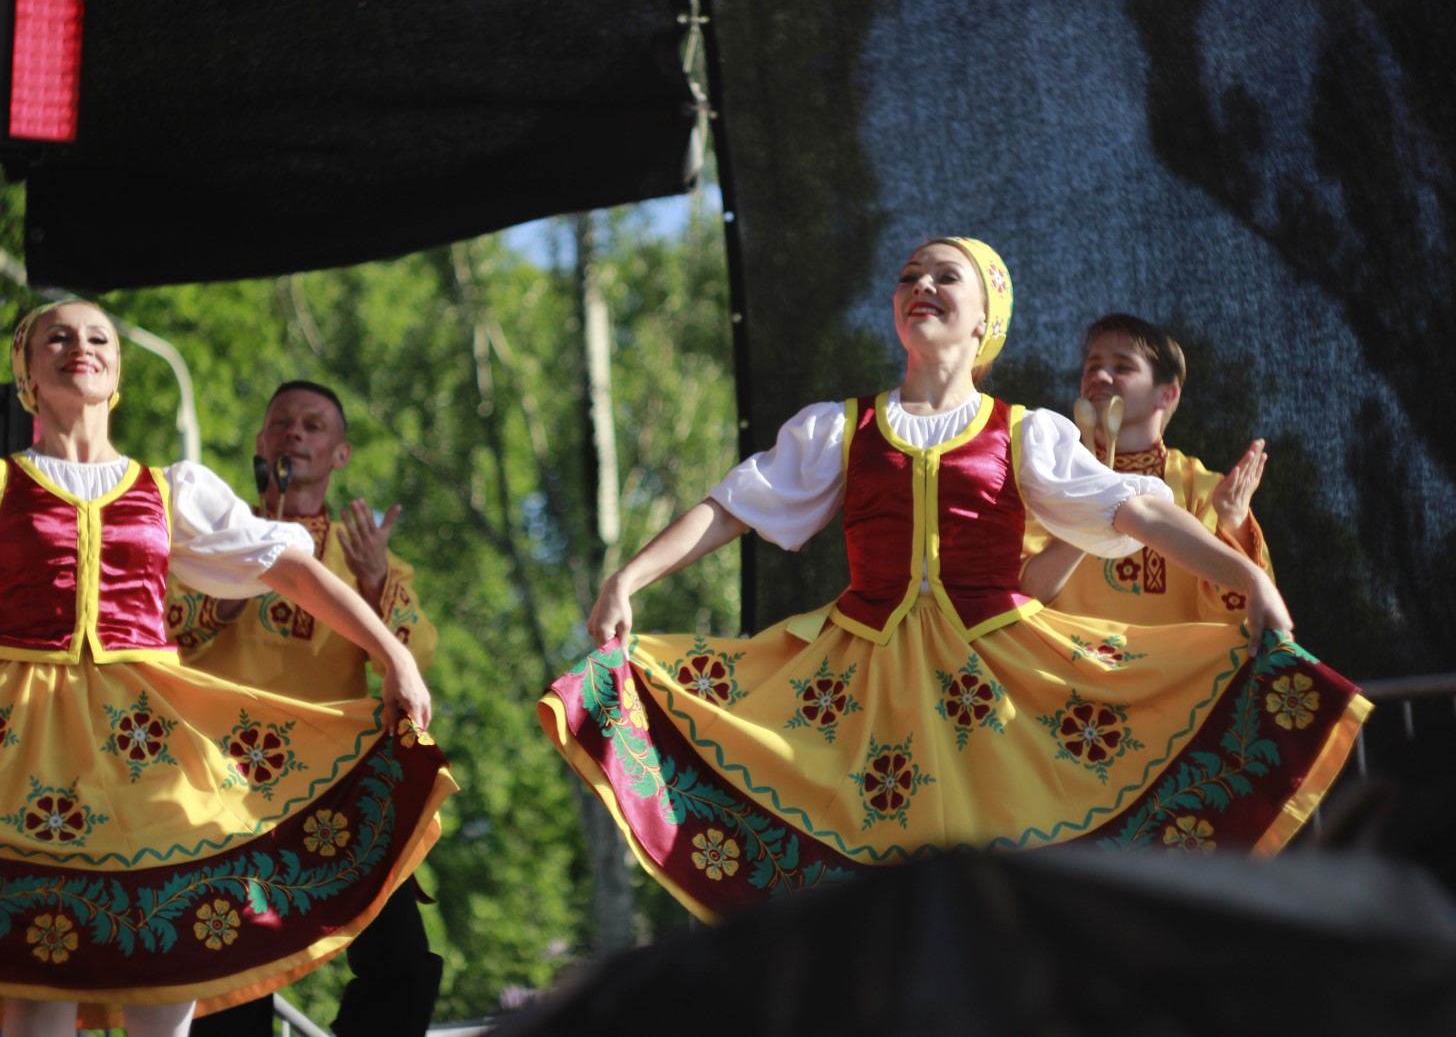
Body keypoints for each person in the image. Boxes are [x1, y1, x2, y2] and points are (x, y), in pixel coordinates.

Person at [539, 238, 1370, 922]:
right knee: (879, 911)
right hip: (861, 684)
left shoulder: (1025, 432)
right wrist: (630, 576)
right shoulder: (840, 427)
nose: (921, 285)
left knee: (1011, 899)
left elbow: (1135, 512)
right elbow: (733, 505)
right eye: (908, 276)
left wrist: (1245, 577)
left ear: (985, 321)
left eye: (946, 276)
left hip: (999, 683)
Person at [0, 301, 458, 1036]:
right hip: (20, 743)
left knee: (165, 967)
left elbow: (293, 570)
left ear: (117, 376)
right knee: (40, 984)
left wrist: (394, 652)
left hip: (147, 747)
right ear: (27, 373)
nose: (81, 346)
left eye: (98, 337)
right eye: (59, 337)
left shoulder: (171, 488)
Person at [168, 381, 443, 1037]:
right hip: (226, 786)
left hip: (335, 784)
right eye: (283, 422)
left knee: (401, 962)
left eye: (314, 425)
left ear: (340, 452)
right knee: (229, 968)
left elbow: (413, 658)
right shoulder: (209, 538)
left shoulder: (369, 557)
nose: (296, 433)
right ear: (262, 442)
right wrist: (238, 567)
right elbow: (166, 636)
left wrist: (375, 583)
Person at [1020, 313, 1274, 622]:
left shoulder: (1202, 488)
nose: (1099, 376)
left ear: (1166, 394)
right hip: (1067, 664)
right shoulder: (1052, 472)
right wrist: (1093, 507)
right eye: (1092, 366)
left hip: (1173, 667)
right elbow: (1023, 594)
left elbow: (1234, 623)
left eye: (1122, 367)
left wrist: (1233, 523)